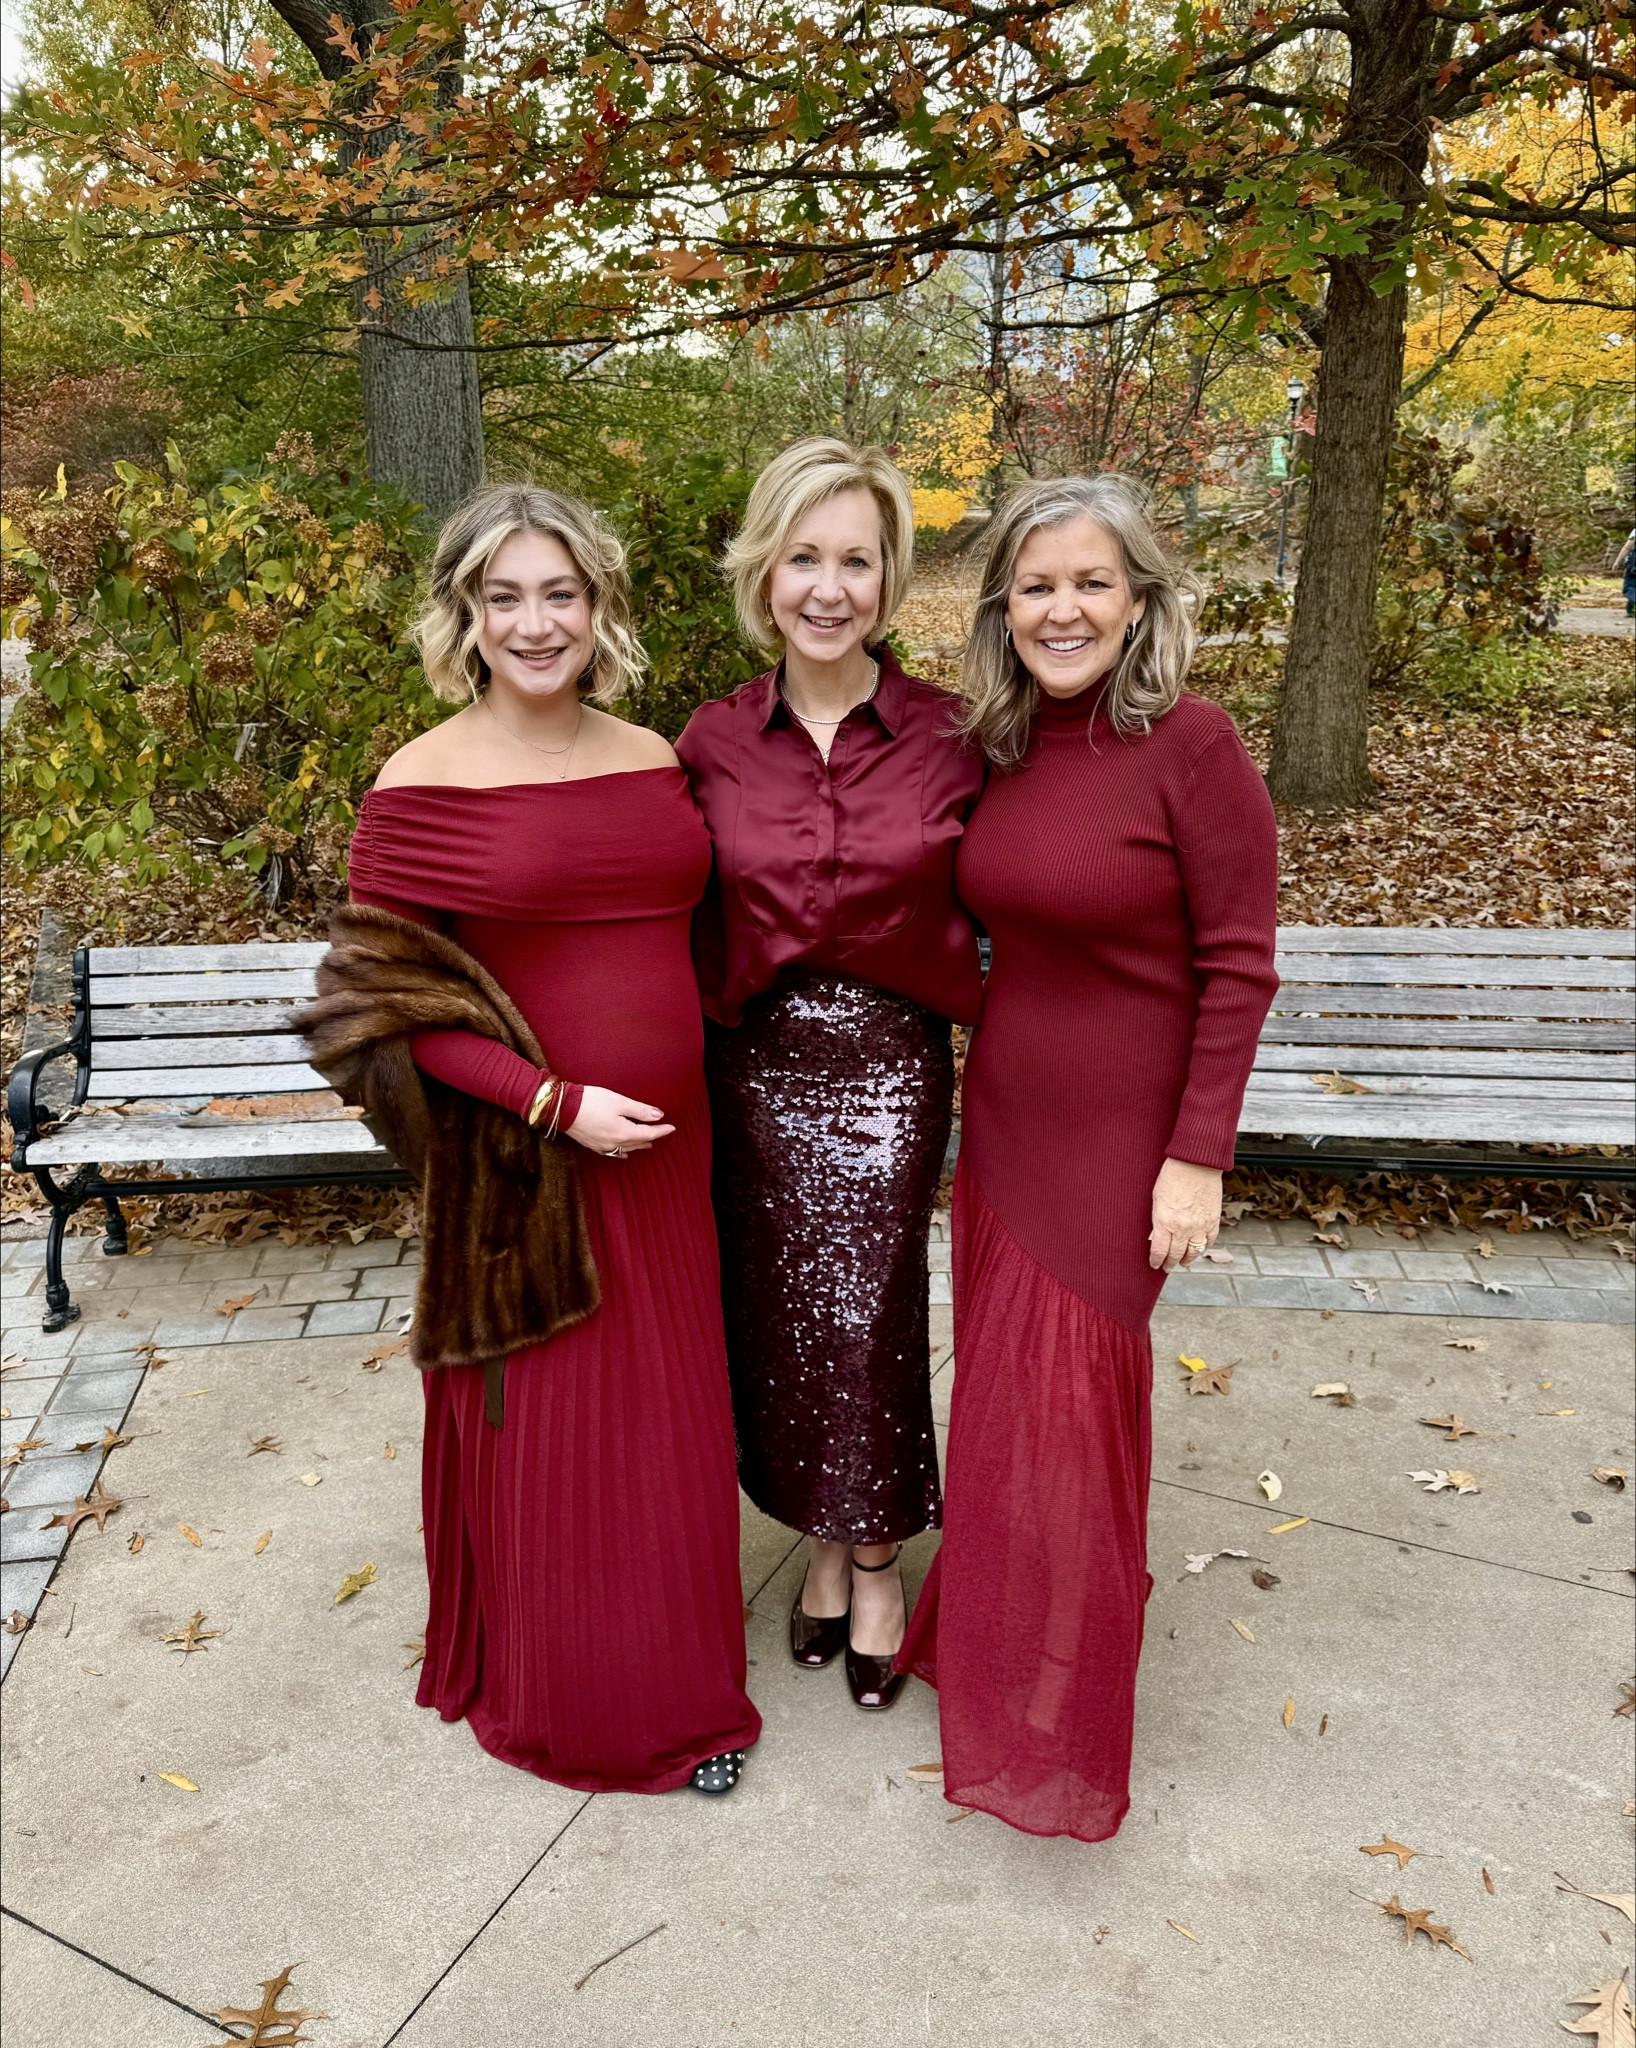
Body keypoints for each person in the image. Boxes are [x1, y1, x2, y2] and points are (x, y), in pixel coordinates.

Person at [327, 483, 760, 1796]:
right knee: (565, 1440)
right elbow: (375, 1010)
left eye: (558, 593)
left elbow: (703, 938)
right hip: (531, 1171)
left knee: (671, 1433)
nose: (535, 621)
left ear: (598, 604)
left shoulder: (653, 757)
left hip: (674, 1156)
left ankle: (685, 1685)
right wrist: (552, 1103)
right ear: (463, 612)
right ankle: (584, 1702)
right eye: (503, 596)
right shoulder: (420, 783)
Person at [897, 474, 1279, 1839]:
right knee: (1003, 1409)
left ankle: (1051, 1721)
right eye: (1038, 584)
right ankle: (999, 1637)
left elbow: (1238, 968)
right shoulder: (997, 747)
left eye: (1092, 583)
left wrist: (1197, 1158)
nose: (1064, 608)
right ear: (1004, 603)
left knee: (1073, 1417)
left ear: (1141, 598)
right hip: (1001, 1121)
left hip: (1122, 1145)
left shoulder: (1193, 744)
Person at [675, 439, 983, 1713]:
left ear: (890, 578)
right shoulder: (708, 739)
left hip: (887, 1070)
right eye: (804, 556)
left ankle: (874, 1555)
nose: (828, 585)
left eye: (855, 559)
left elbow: (1034, 884)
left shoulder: (955, 736)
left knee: (869, 1318)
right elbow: (649, 900)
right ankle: (816, 1533)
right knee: (781, 1323)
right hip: (753, 1070)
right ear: (764, 570)